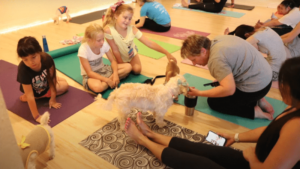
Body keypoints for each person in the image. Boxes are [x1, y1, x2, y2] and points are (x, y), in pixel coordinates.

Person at [124, 57, 300, 169]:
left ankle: (143, 140)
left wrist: (253, 158)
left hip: (257, 164)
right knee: (198, 148)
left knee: (197, 163)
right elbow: (272, 132)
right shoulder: (294, 108)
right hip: (256, 161)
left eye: (283, 82)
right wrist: (236, 137)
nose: (280, 86)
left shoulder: (297, 127)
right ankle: (151, 134)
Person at [182, 35, 274, 120]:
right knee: (220, 86)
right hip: (266, 77)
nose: (194, 64)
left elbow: (229, 90)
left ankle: (255, 111)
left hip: (258, 88)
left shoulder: (215, 60)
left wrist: (200, 93)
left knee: (214, 102)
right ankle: (259, 99)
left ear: (203, 51)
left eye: (194, 60)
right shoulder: (217, 40)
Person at [103, 0, 177, 74]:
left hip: (131, 54)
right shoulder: (108, 30)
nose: (127, 21)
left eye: (130, 18)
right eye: (125, 17)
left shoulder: (132, 29)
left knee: (137, 70)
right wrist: (122, 63)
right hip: (118, 57)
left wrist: (166, 53)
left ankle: (126, 67)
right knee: (127, 68)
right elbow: (115, 49)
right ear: (116, 15)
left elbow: (149, 43)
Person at [17, 36, 69, 123]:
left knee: (64, 82)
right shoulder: (23, 69)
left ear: (39, 53)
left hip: (44, 83)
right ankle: (39, 97)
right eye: (25, 59)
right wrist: (37, 116)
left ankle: (43, 95)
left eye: (34, 57)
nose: (31, 62)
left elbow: (52, 80)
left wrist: (52, 99)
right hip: (33, 91)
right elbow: (29, 95)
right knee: (65, 86)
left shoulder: (47, 59)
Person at [78, 23, 132, 93]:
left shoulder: (103, 44)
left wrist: (115, 74)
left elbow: (113, 61)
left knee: (128, 67)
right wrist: (107, 80)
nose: (102, 42)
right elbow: (89, 73)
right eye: (99, 40)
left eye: (103, 39)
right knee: (98, 88)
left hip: (103, 70)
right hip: (91, 75)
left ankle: (111, 80)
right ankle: (112, 81)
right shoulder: (83, 49)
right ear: (89, 40)